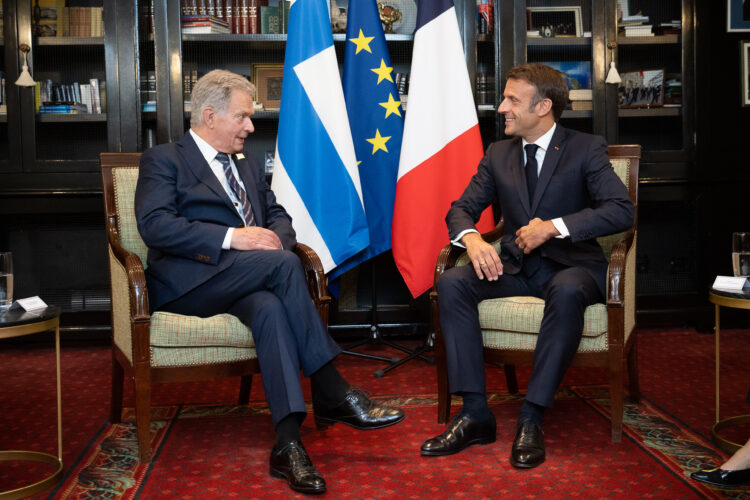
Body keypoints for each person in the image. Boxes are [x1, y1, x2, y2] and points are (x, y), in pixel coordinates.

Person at [134, 69, 404, 494]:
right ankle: (332, 390)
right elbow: (154, 226)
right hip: (188, 284)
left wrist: (275, 239)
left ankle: (288, 444)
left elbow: (277, 213)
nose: (250, 126)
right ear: (210, 115)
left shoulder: (243, 163)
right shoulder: (164, 159)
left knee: (271, 308)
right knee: (282, 267)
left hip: (246, 280)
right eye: (242, 117)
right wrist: (234, 238)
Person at [420, 63, 634, 468]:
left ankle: (532, 417)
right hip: (517, 268)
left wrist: (553, 227)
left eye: (512, 100)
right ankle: (474, 414)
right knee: (452, 283)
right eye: (504, 98)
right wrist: (474, 239)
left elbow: (621, 210)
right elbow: (462, 208)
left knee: (568, 289)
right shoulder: (498, 153)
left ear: (544, 107)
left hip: (573, 267)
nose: (502, 107)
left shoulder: (584, 148)